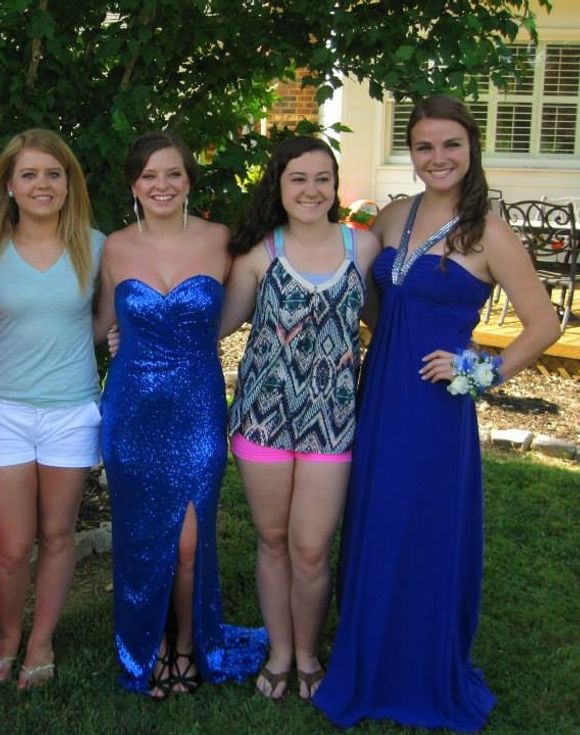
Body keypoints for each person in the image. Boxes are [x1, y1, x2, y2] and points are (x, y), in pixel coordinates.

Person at [313, 95, 560, 731]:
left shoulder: (490, 232)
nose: (438, 157)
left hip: (433, 407)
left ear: (471, 148)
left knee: (419, 524)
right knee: (375, 520)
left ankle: (419, 667)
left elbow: (544, 324)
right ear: (412, 153)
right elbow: (364, 297)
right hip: (379, 390)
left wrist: (480, 371)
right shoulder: (394, 215)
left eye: (451, 144)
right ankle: (370, 657)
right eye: (424, 146)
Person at [96, 130, 267, 700]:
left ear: (190, 180)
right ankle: (147, 647)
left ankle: (189, 645)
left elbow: (245, 308)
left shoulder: (223, 241)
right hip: (131, 410)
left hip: (196, 407)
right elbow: (104, 323)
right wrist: (117, 338)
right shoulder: (114, 247)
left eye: (173, 173)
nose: (161, 185)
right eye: (149, 176)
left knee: (190, 544)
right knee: (139, 539)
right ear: (133, 185)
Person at [220, 136, 380, 702]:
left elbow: (386, 321)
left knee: (311, 548)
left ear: (335, 186)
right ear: (279, 186)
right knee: (272, 540)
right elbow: (219, 325)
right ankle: (281, 652)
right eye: (298, 179)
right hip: (263, 420)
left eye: (322, 179)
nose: (311, 190)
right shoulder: (259, 254)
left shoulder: (363, 247)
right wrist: (139, 333)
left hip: (331, 422)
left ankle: (308, 654)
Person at [0, 129, 105, 689]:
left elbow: (106, 323)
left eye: (53, 173)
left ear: (69, 184)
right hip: (1, 410)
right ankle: (7, 634)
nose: (41, 184)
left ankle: (41, 639)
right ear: (9, 186)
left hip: (71, 410)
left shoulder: (97, 247)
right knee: (12, 544)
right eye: (28, 174)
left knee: (57, 534)